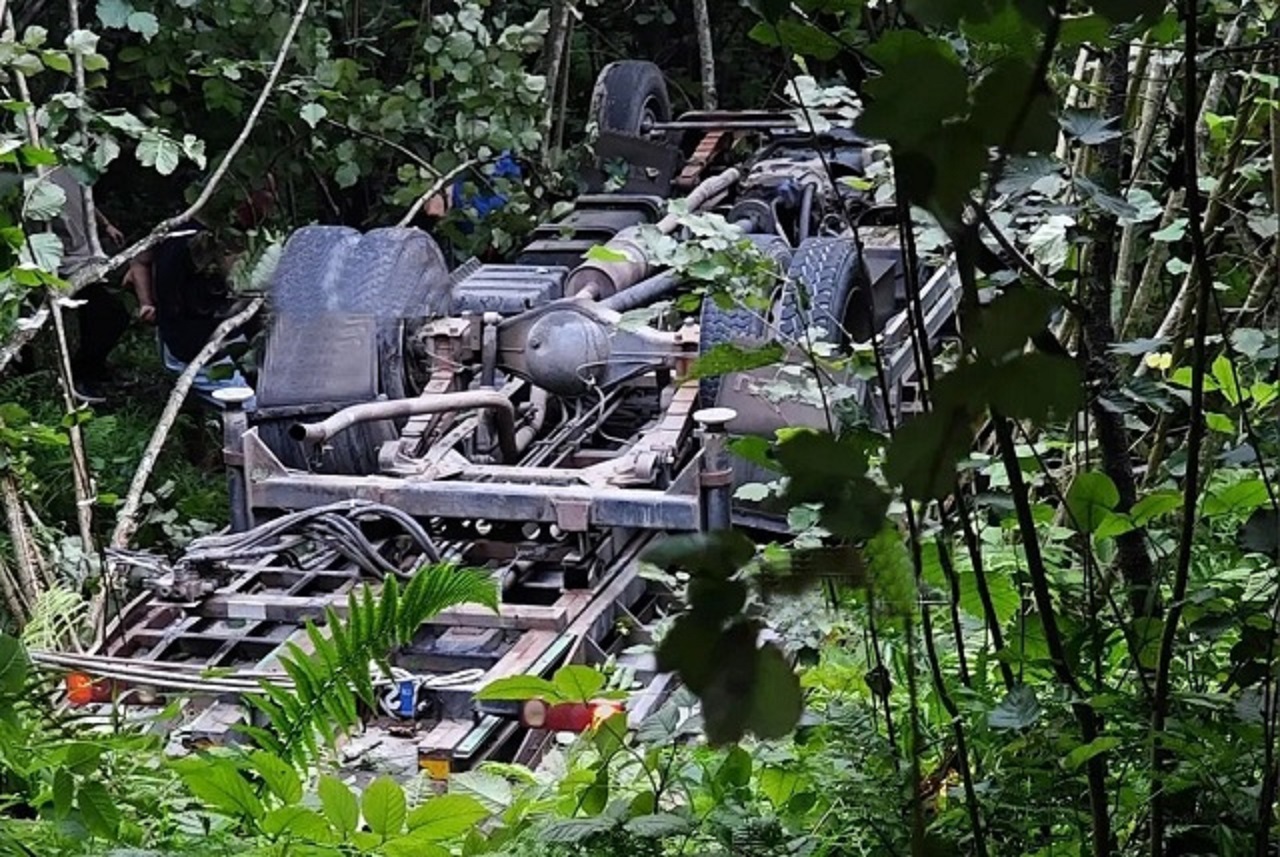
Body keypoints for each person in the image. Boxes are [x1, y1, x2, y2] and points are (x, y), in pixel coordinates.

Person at [125, 214, 257, 406]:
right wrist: (146, 302)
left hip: (231, 338)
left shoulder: (243, 232)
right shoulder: (177, 232)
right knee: (249, 410)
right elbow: (138, 261)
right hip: (189, 346)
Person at [47, 167, 135, 403]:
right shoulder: (34, 173)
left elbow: (84, 200)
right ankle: (80, 376)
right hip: (63, 264)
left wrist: (105, 224)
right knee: (109, 314)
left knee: (103, 316)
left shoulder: (67, 164)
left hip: (87, 256)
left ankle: (92, 370)